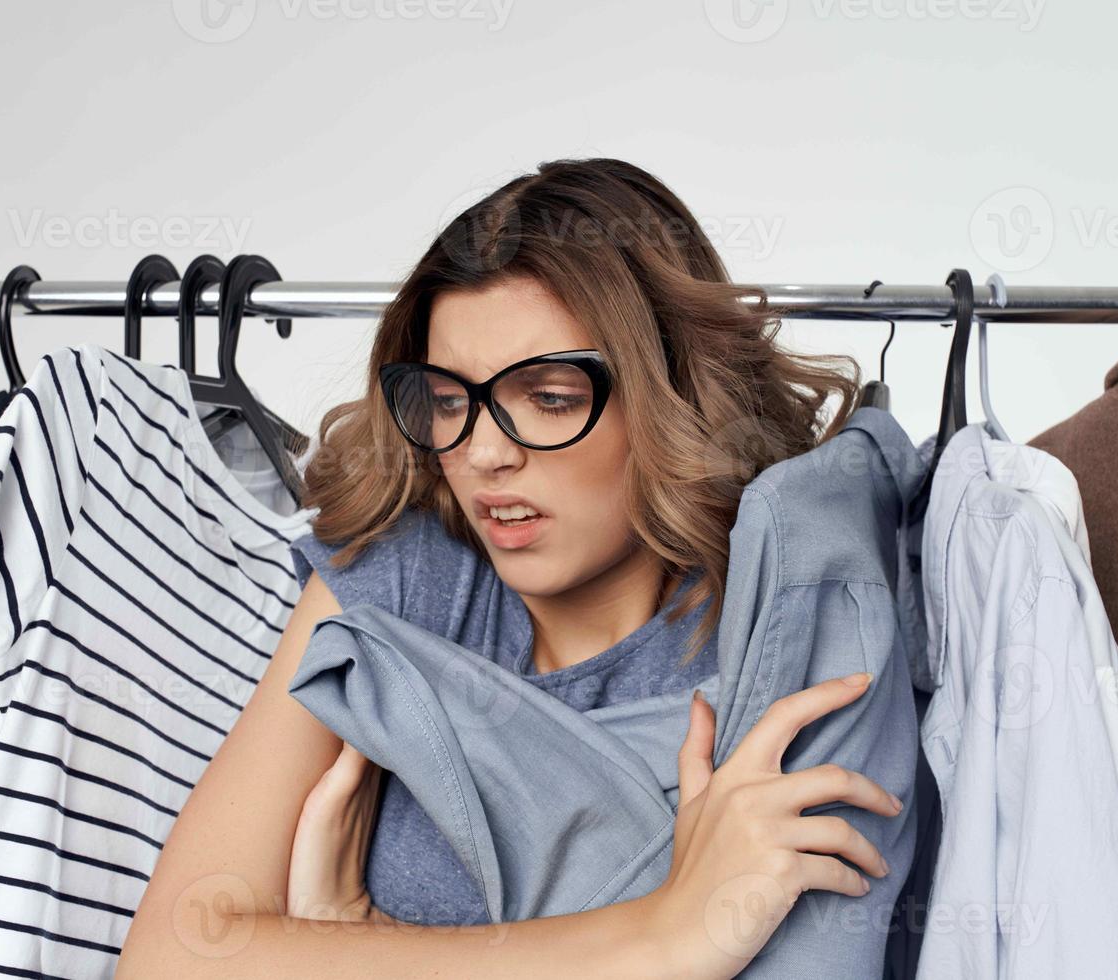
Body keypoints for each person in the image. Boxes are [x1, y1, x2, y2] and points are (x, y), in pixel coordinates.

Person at [117, 157, 907, 979]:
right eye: (450, 401)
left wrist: (355, 936)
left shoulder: (776, 625)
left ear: (673, 393)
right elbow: (173, 953)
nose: (484, 454)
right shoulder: (406, 583)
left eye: (552, 398)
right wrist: (664, 933)